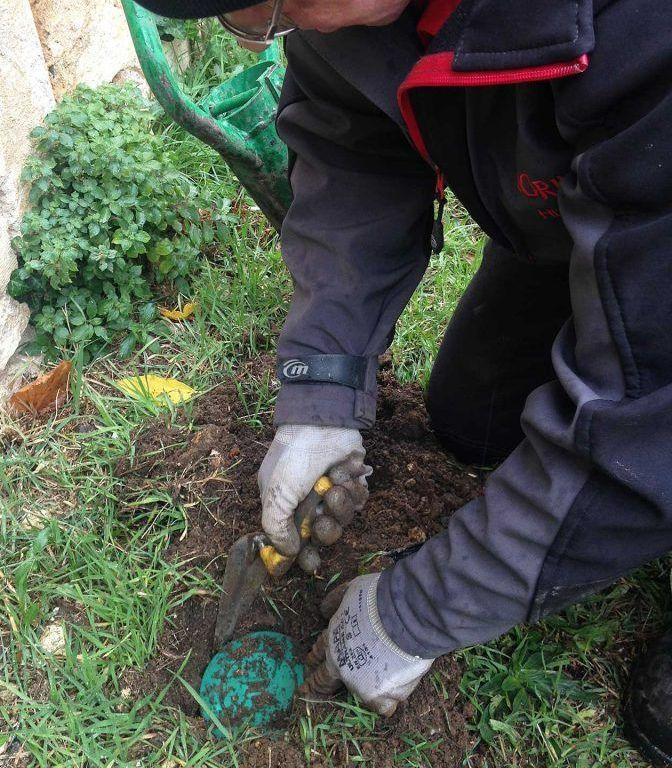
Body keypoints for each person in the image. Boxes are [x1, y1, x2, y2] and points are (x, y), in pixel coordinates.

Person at [135, 0, 672, 763]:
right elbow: (352, 147)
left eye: (281, 6)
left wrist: (419, 611)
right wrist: (321, 390)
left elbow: (646, 417)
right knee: (474, 424)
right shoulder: (345, 13)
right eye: (252, 22)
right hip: (592, 211)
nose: (299, 32)